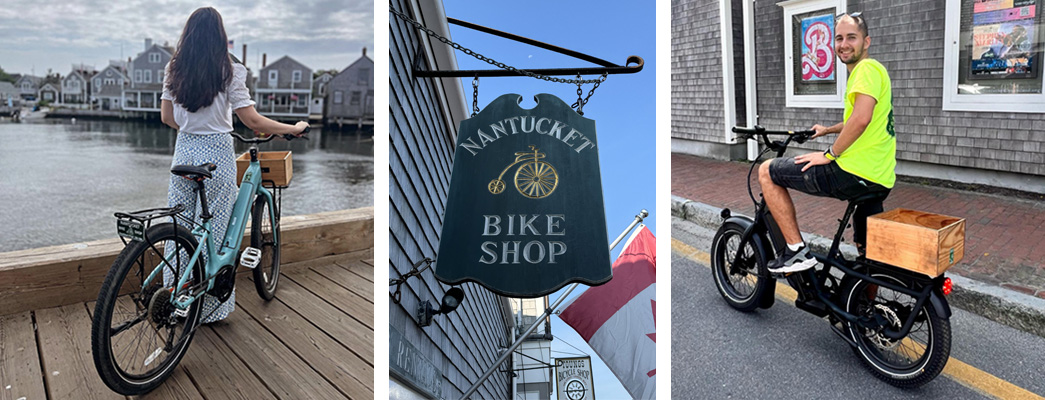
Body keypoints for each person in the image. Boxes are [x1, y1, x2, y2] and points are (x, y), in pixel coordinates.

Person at [160, 7, 308, 323]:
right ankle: (209, 310)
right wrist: (291, 129)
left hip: (184, 152)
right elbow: (251, 119)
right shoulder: (228, 69)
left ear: (187, 35)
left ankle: (175, 299)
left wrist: (193, 129)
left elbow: (167, 118)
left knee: (181, 227)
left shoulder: (174, 68)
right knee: (216, 231)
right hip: (216, 154)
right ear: (221, 37)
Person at [758, 12, 894, 274]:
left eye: (851, 37)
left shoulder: (865, 69)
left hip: (853, 172)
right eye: (839, 38)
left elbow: (862, 119)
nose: (844, 44)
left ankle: (796, 252)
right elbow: (861, 117)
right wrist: (827, 130)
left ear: (867, 42)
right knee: (868, 253)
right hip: (880, 177)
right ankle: (864, 308)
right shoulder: (876, 72)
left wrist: (829, 154)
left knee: (767, 171)